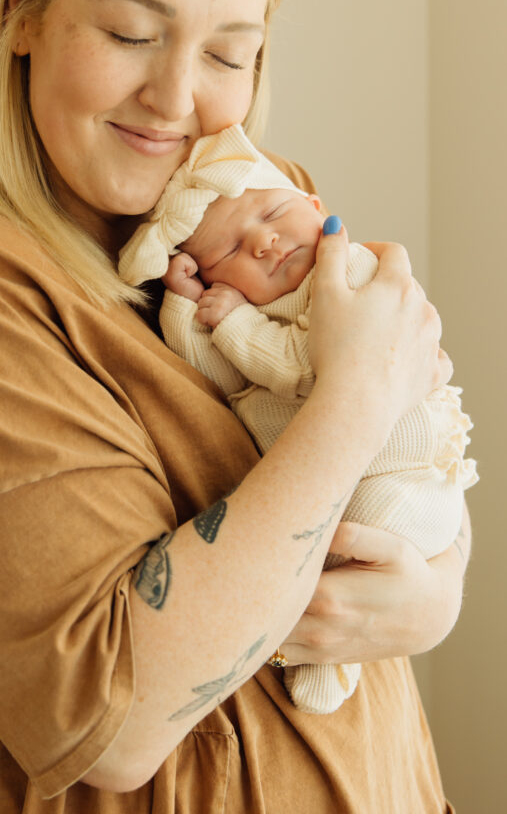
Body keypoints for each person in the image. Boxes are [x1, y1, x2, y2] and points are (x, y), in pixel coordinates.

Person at [0, 0, 469, 813]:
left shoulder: (266, 202)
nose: (175, 98)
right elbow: (112, 716)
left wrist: (437, 589)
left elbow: (408, 445)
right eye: (131, 33)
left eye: (230, 54)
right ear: (24, 8)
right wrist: (353, 396)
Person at [119, 122, 478, 715]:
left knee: (350, 546)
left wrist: (234, 321)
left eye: (277, 213)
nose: (263, 241)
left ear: (317, 207)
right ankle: (324, 650)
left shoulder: (350, 275)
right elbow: (216, 377)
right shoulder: (252, 306)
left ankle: (329, 657)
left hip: (401, 472)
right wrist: (185, 306)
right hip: (355, 479)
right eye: (231, 251)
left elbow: (316, 373)